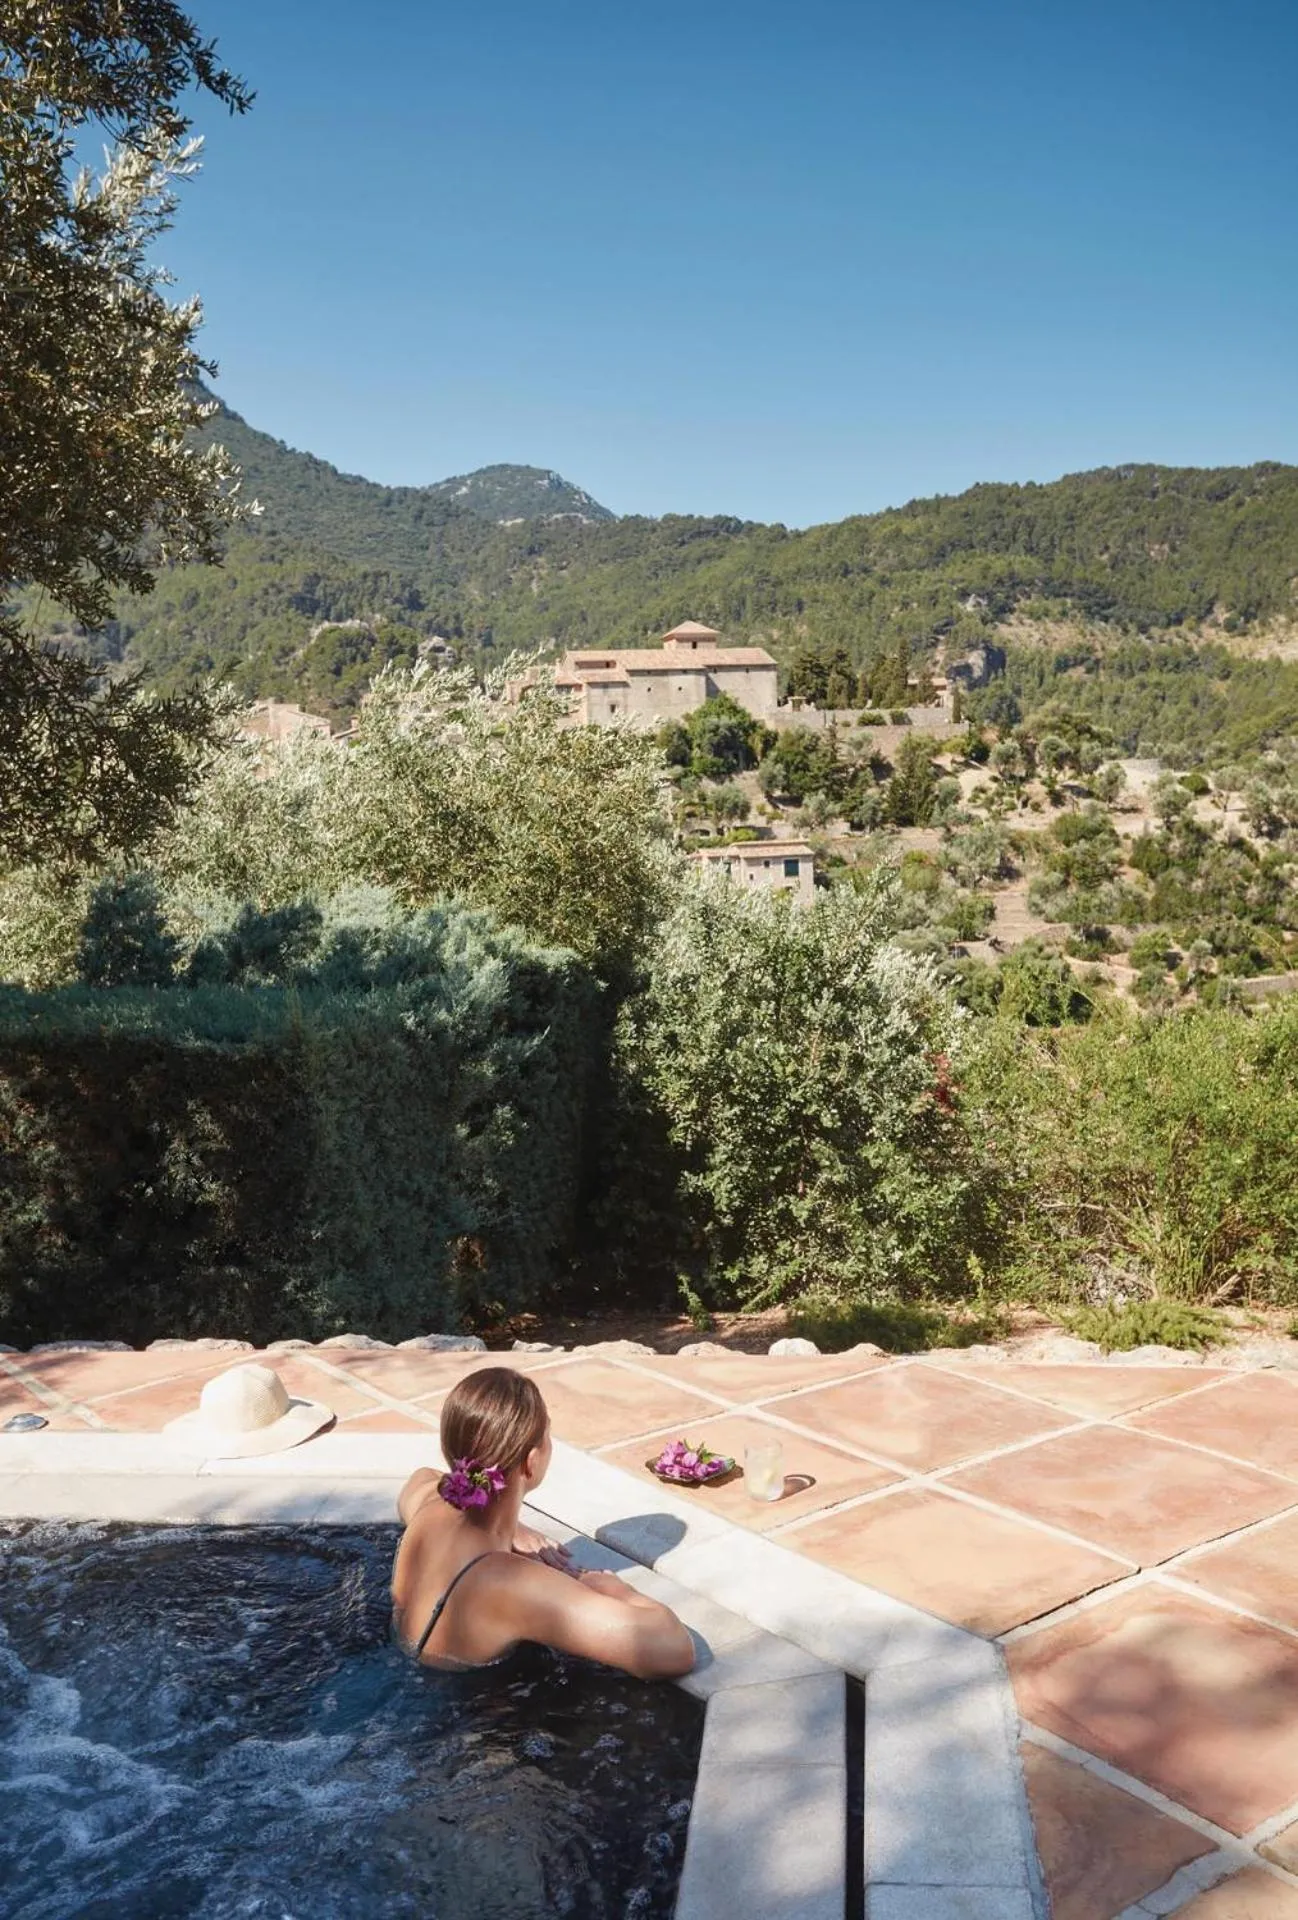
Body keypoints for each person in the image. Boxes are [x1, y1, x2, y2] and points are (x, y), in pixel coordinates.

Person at [392, 1366, 695, 1681]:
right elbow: (672, 1650)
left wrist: (512, 1531)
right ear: (531, 1460)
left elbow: (420, 1478)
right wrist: (612, 1588)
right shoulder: (510, 1582)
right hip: (466, 1716)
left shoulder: (429, 1508)